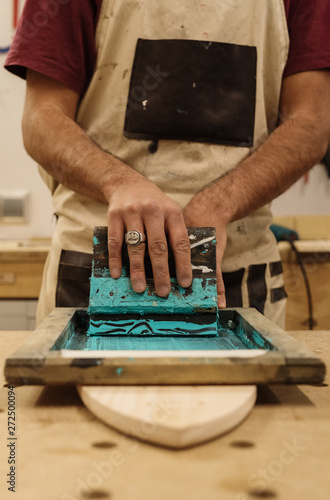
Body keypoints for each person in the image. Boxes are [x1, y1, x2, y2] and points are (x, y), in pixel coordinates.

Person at [5, 0, 330, 328]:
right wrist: (119, 182)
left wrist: (219, 205)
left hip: (236, 276)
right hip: (92, 272)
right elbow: (41, 121)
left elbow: (311, 125)